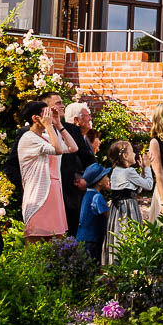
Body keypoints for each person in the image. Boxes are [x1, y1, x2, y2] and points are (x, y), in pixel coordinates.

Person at [18, 97, 76, 241]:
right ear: (35, 118)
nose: (49, 117)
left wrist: (58, 125)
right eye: (46, 114)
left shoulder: (45, 137)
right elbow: (57, 150)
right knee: (37, 238)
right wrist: (50, 126)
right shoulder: (29, 138)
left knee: (57, 238)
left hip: (55, 191)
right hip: (39, 195)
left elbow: (72, 147)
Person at [59, 101, 95, 236]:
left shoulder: (85, 139)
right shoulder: (70, 136)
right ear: (76, 120)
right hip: (72, 193)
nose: (90, 118)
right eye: (87, 115)